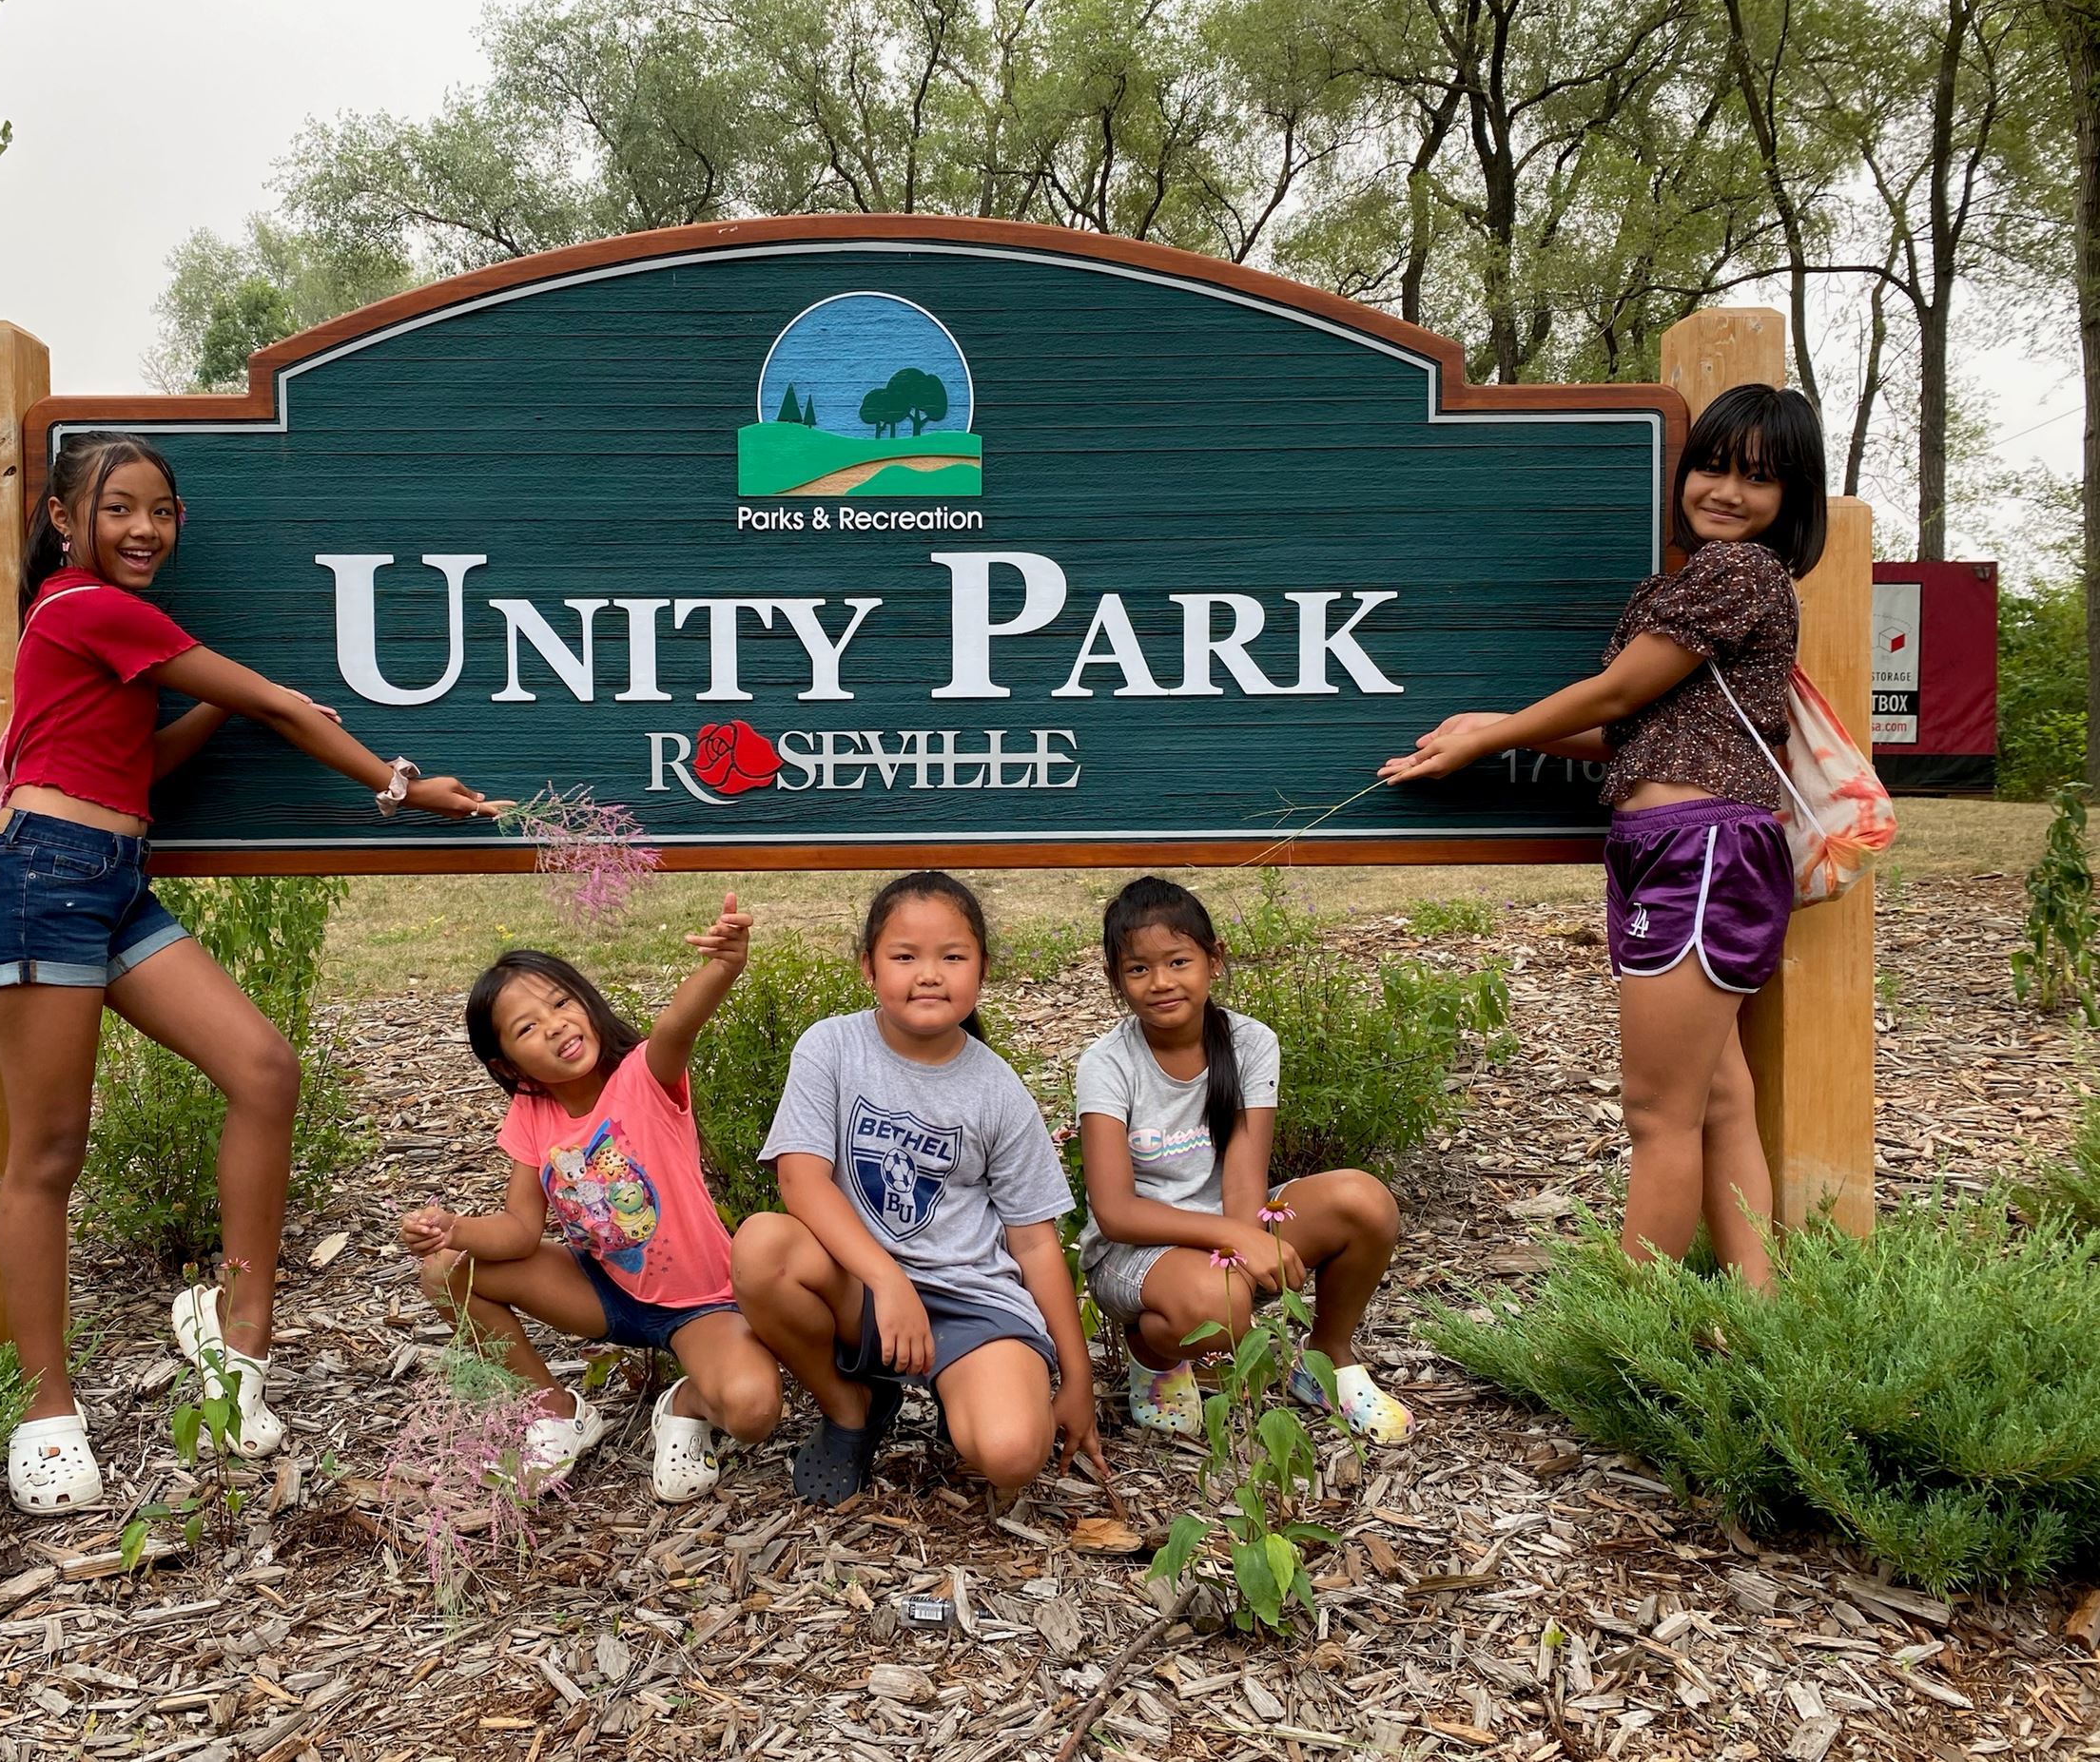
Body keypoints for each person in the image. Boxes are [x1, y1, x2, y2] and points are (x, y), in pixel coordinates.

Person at [0, 431, 509, 1517]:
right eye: (118, 508)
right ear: (64, 522)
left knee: (263, 1069)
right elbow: (273, 703)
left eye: (162, 511)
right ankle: (45, 1411)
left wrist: (214, 706)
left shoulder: (107, 635)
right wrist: (399, 784)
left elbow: (137, 761)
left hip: (108, 876)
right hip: (38, 880)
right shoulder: (80, 608)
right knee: (50, 1151)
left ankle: (235, 1334)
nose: (145, 530)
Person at [1380, 384, 1827, 1293]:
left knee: (1657, 1114)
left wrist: (1491, 735)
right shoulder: (1695, 582)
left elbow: (1621, 693)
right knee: (1717, 1098)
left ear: (1793, 499)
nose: (1729, 492)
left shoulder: (1738, 572)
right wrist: (1502, 723)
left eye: (1760, 478)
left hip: (1698, 848)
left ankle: (1627, 1331)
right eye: (1713, 465)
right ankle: (1758, 1313)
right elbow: (1634, 731)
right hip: (1676, 845)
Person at [731, 871, 1100, 1505]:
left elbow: (1036, 1244)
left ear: (981, 970)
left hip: (969, 1299)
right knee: (763, 1245)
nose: (929, 974)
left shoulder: (996, 1088)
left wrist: (1079, 1376)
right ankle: (854, 1407)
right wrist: (886, 1278)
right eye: (905, 956)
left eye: (952, 957)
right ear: (868, 969)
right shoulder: (832, 1048)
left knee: (1012, 1455)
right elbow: (801, 1180)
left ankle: (968, 1396)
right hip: (862, 1288)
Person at [400, 899, 784, 1501]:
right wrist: (453, 1229)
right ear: (506, 1063)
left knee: (754, 1411)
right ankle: (553, 1411)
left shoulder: (642, 1077)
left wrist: (723, 967)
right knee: (446, 1271)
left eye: (559, 1003)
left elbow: (675, 1026)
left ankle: (683, 1404)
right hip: (604, 1289)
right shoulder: (531, 1114)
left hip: (699, 1302)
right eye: (527, 1027)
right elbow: (521, 1231)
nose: (553, 1025)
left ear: (586, 1000)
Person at [1077, 877, 1411, 1444]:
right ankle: (1151, 1354)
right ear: (1117, 980)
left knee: (1363, 1201)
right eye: (1138, 969)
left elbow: (1243, 1181)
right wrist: (1237, 1240)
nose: (1160, 982)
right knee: (1219, 1304)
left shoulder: (1250, 1042)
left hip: (1228, 1229)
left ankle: (1325, 1359)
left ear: (1214, 959)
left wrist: (1244, 1233)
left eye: (1178, 961)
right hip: (1134, 1252)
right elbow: (1115, 1211)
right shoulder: (1109, 1064)